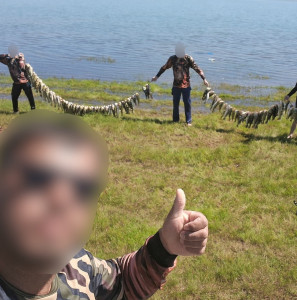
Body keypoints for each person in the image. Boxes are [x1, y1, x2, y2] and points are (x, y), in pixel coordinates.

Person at [0, 110, 208, 299]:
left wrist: (164, 246)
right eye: (38, 177)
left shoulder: (78, 267)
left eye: (83, 189)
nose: (61, 199)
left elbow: (123, 282)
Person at [151, 43, 209, 126]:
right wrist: (156, 76)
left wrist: (204, 79)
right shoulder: (172, 59)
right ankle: (175, 121)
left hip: (186, 86)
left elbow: (197, 69)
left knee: (187, 103)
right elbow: (164, 67)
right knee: (175, 104)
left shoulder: (188, 58)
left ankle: (188, 121)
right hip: (176, 86)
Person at [0, 47, 36, 114]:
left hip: (25, 82)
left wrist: (21, 58)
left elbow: (24, 65)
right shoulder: (8, 61)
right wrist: (7, 55)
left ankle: (33, 110)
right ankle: (15, 111)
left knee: (30, 96)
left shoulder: (20, 59)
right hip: (16, 83)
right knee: (14, 96)